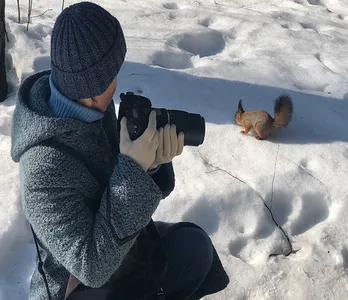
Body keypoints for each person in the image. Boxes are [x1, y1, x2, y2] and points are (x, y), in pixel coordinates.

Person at [10, 2, 229, 300]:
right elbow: (92, 267)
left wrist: (151, 164)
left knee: (193, 247)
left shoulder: (93, 109)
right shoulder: (42, 170)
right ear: (92, 85)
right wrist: (133, 171)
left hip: (123, 253)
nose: (118, 80)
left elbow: (122, 187)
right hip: (78, 288)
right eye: (113, 72)